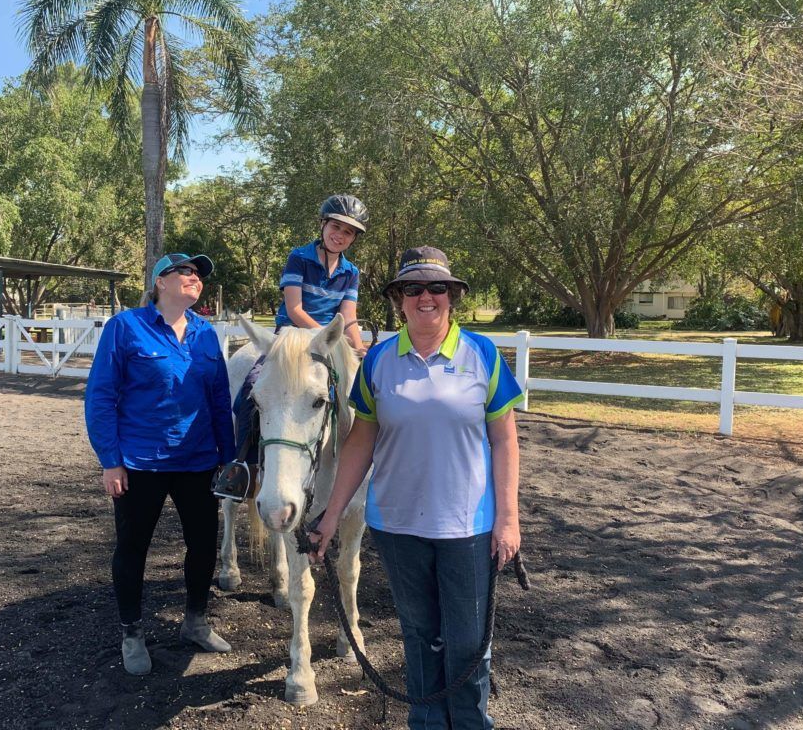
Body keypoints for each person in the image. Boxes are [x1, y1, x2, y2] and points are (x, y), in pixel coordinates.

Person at [310, 246, 523, 729]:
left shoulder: (482, 354)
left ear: (452, 297)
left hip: (468, 525)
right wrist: (329, 515)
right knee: (419, 633)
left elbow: (505, 439)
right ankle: (426, 723)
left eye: (437, 288)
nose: (426, 297)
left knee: (468, 640)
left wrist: (508, 519)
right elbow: (360, 440)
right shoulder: (380, 359)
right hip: (397, 523)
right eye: (413, 289)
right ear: (399, 300)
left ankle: (469, 723)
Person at [84, 252, 236, 675]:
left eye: (198, 275)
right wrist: (110, 461)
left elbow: (220, 401)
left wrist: (229, 459)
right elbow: (100, 396)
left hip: (199, 461)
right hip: (140, 462)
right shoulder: (125, 328)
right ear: (160, 282)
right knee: (134, 548)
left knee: (204, 546)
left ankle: (196, 620)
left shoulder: (207, 334)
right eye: (184, 272)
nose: (194, 278)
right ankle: (131, 632)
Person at [230, 194, 368, 470]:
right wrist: (325, 337)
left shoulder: (351, 272)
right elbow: (294, 309)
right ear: (323, 225)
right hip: (291, 336)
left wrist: (358, 346)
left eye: (348, 232)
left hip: (328, 341)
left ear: (353, 239)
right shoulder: (299, 257)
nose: (339, 235)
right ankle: (242, 467)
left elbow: (348, 315)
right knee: (251, 385)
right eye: (335, 227)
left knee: (360, 390)